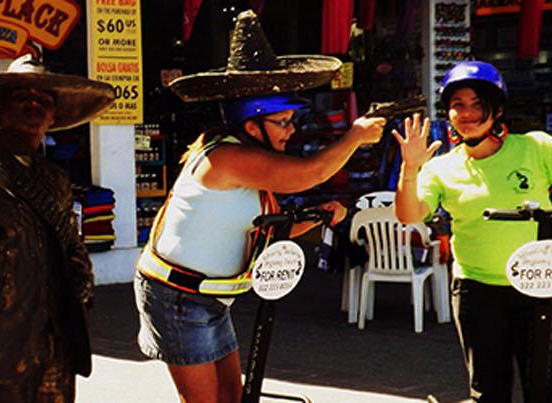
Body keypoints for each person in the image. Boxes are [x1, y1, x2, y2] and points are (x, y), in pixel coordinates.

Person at [136, 10, 385, 403]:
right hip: (178, 296)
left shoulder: (251, 169)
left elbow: (266, 229)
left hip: (211, 295)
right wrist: (355, 135)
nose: (291, 130)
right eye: (283, 122)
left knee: (234, 395)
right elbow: (310, 173)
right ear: (252, 127)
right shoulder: (227, 159)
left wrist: (319, 218)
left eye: (291, 121)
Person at [392, 61, 552, 402]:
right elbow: (408, 215)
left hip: (541, 288)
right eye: (458, 105)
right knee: (488, 394)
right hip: (477, 291)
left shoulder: (536, 148)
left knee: (548, 393)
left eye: (478, 103)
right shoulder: (441, 168)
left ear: (498, 108)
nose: (468, 113)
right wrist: (410, 170)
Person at [0, 54, 115, 402]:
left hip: (54, 335)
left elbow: (70, 246)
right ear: (0, 109)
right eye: (22, 97)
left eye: (44, 100)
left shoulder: (55, 179)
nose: (34, 104)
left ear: (54, 115)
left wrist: (80, 291)